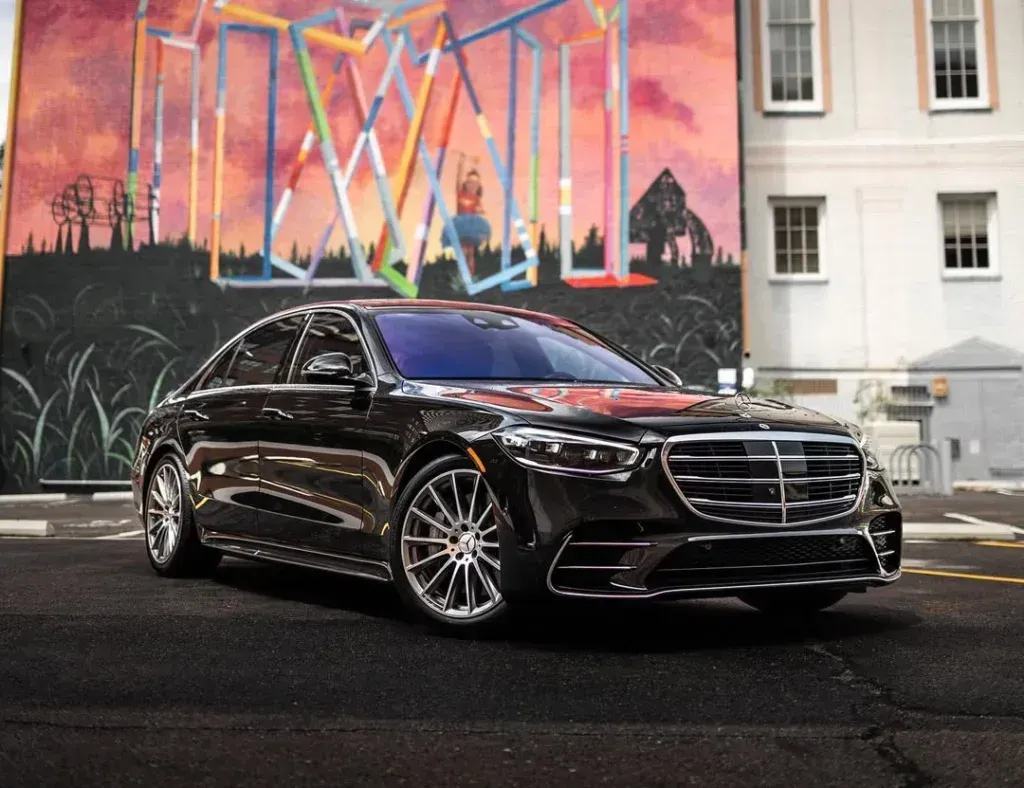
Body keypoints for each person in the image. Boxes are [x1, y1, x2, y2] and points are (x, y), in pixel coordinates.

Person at [441, 155, 491, 274]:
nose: (472, 186)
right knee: (463, 252)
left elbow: (479, 209)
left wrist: (481, 211)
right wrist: (461, 163)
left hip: (472, 226)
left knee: (471, 253)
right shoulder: (460, 194)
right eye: (470, 182)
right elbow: (458, 179)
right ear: (466, 183)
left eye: (475, 184)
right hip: (461, 225)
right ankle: (462, 276)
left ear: (478, 186)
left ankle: (470, 277)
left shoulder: (476, 198)